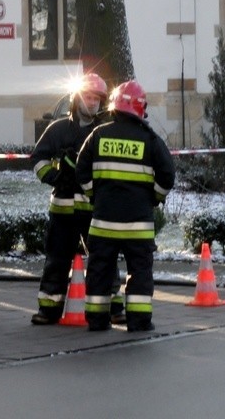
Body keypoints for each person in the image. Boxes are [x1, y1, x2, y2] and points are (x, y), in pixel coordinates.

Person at [76, 80, 175, 332]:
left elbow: (82, 171)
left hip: (103, 222)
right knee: (139, 272)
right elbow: (167, 176)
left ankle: (97, 321)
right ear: (140, 108)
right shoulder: (150, 139)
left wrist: (94, 196)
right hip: (138, 225)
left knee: (100, 271)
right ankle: (139, 321)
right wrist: (154, 198)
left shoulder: (98, 135)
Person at [29, 74, 124, 326]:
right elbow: (38, 159)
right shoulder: (58, 129)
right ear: (77, 98)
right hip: (62, 208)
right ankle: (48, 310)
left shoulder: (106, 132)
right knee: (57, 260)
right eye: (87, 96)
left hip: (95, 209)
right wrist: (55, 177)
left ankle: (114, 308)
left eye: (96, 98)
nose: (92, 102)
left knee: (104, 259)